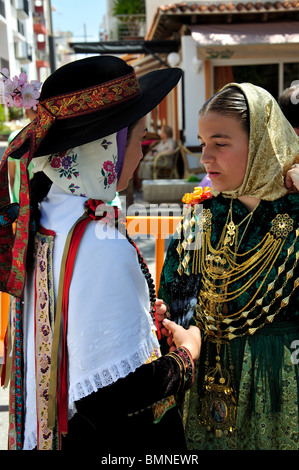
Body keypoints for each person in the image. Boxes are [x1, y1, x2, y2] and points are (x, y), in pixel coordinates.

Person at [0, 56, 201, 452]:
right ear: (105, 149)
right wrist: (186, 355)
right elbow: (111, 397)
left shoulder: (40, 218)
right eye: (138, 139)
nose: (142, 154)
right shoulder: (98, 239)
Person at [158, 82, 299, 450]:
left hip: (281, 383)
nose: (205, 157)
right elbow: (178, 300)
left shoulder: (295, 216)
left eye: (220, 144)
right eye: (203, 143)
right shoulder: (202, 218)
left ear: (263, 144)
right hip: (206, 381)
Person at [7, 108, 37, 202]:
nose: (40, 114)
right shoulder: (15, 138)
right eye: (35, 110)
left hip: (41, 200)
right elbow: (12, 174)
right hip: (20, 199)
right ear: (27, 112)